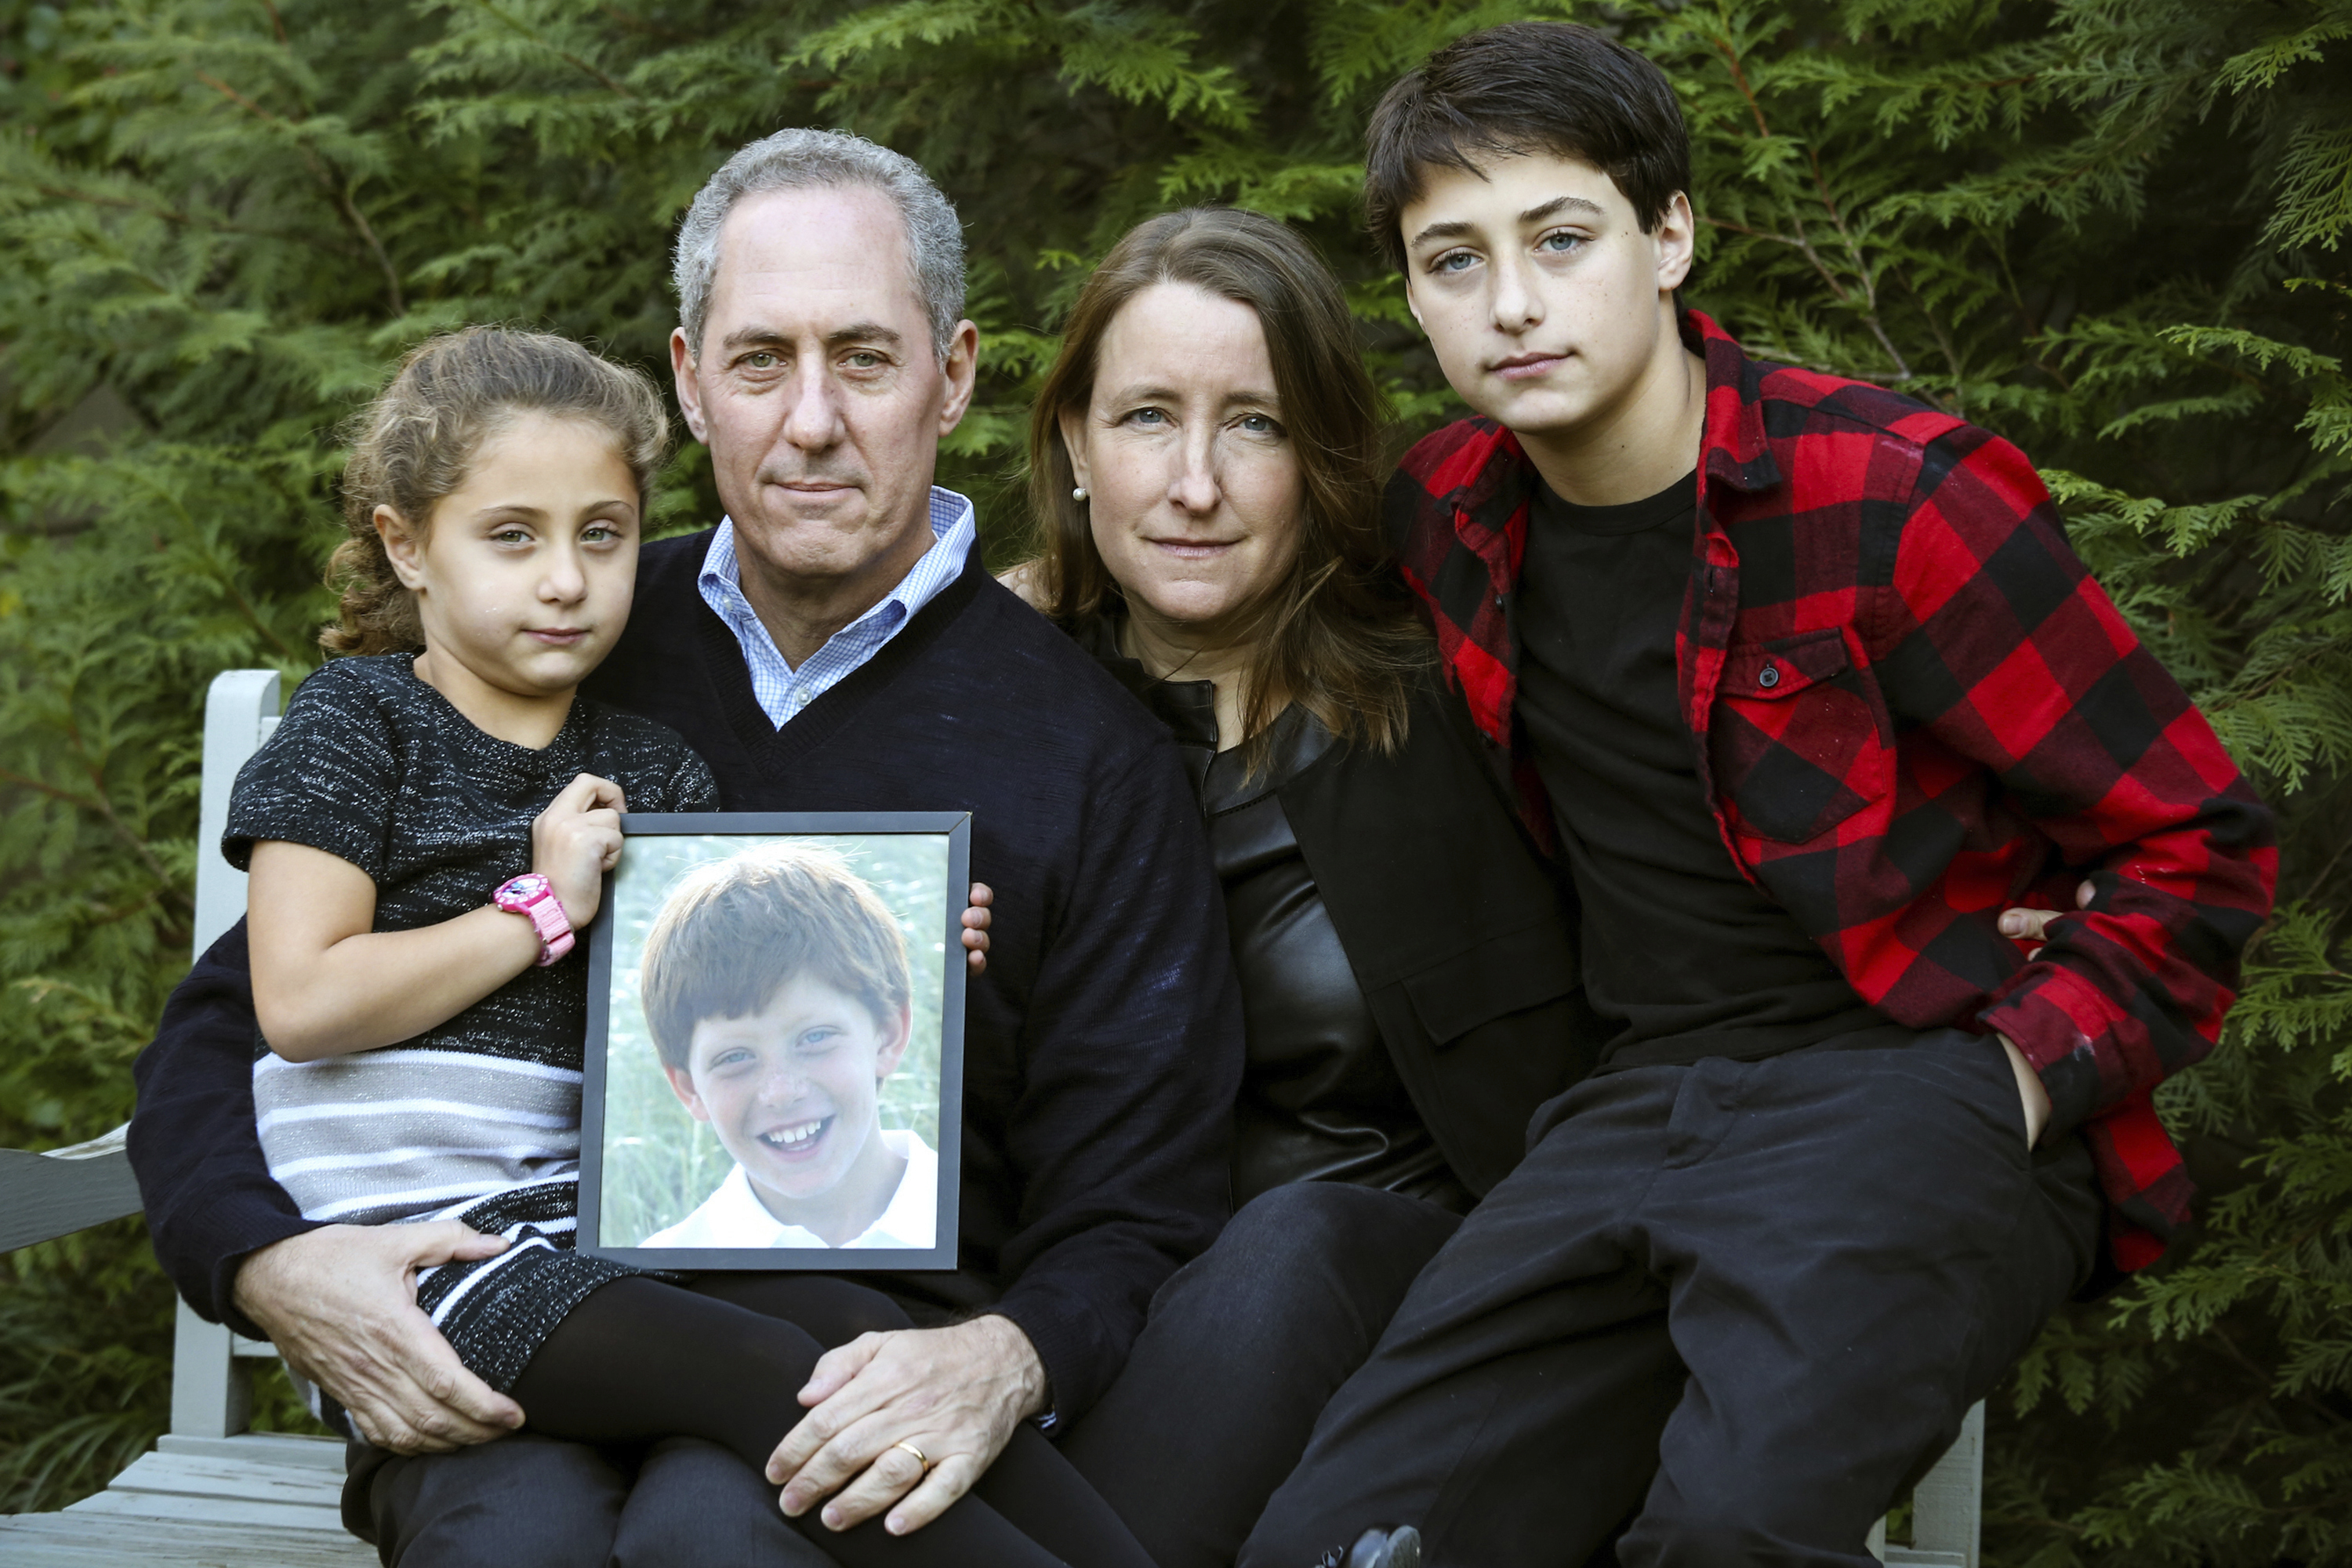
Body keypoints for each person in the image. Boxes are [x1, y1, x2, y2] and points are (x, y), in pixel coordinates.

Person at [1238, 24, 2278, 1568]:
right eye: (1451, 261)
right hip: (1635, 1100)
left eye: (1561, 238)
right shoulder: (1447, 514)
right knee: (1345, 1547)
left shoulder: (1890, 499)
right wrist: (1015, 585)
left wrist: (2014, 1081)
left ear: (1670, 236)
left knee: (1725, 1538)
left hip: (1905, 1078)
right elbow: (1203, 558)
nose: (1511, 303)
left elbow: (2197, 844)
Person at [129, 129, 1243, 1568]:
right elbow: (239, 1025)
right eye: (763, 360)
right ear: (689, 379)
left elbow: (1137, 1203)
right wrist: (271, 1263)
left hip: (861, 1368)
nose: (813, 420)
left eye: (866, 357)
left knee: (718, 1537)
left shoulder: (1088, 753)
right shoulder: (555, 636)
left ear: (954, 376)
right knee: (509, 1540)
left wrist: (1007, 1359)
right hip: (499, 1328)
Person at [640, 843, 939, 1251]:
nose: (780, 1092)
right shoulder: (659, 1274)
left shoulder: (984, 1218)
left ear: (887, 1035)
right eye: (735, 1058)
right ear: (689, 1089)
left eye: (815, 1038)